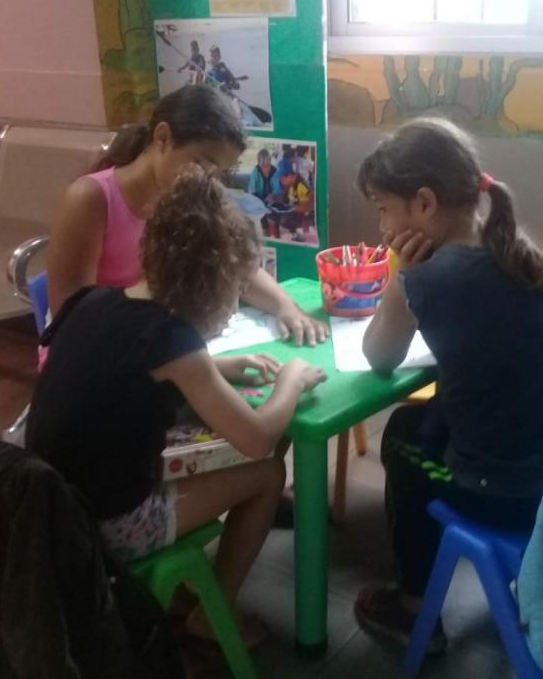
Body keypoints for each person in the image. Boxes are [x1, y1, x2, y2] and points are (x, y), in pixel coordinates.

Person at [27, 165, 327, 648]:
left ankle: (197, 592)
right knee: (269, 473)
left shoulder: (93, 300)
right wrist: (290, 382)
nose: (233, 304)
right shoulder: (173, 340)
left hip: (46, 499)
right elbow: (256, 438)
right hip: (101, 524)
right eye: (235, 289)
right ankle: (214, 616)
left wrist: (216, 369)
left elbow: (128, 366)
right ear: (214, 283)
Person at [353, 118, 543, 652]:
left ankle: (414, 606)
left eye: (382, 209)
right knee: (428, 417)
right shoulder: (511, 248)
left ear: (423, 204)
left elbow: (378, 357)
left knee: (400, 434)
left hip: (516, 494)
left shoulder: (435, 278)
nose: (379, 226)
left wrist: (401, 274)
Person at [47, 84, 328, 346]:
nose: (208, 179)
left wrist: (286, 307)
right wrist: (181, 364)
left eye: (219, 172)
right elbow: (72, 322)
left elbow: (235, 264)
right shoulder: (90, 199)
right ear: (163, 138)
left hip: (159, 348)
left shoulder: (194, 197)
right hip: (98, 358)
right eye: (201, 163)